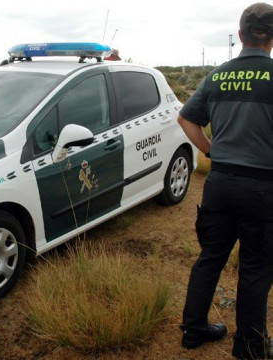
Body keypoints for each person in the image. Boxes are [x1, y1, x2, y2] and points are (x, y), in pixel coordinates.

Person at [177, 3, 273, 359]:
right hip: (262, 188)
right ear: (271, 39)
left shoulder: (216, 76)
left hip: (219, 185)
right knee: (255, 268)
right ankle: (249, 347)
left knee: (210, 257)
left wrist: (211, 150)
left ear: (241, 34)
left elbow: (186, 119)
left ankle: (193, 330)